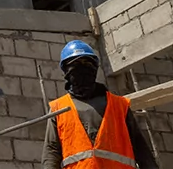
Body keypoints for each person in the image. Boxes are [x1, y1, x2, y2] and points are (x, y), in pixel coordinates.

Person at [43, 40, 159, 169]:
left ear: (94, 68)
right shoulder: (58, 109)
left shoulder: (119, 106)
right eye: (75, 65)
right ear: (66, 72)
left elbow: (141, 148)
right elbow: (51, 152)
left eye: (86, 63)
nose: (81, 69)